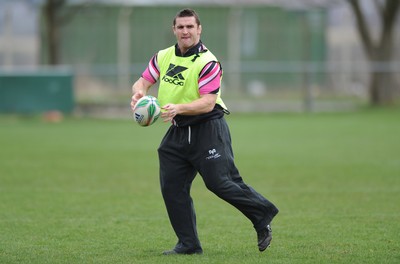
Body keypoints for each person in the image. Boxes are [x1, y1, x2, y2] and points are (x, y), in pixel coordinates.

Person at [130, 8, 278, 255]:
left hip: (208, 128)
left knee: (220, 183)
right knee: (172, 188)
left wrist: (178, 107)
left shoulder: (208, 61)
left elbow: (208, 102)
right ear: (174, 30)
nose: (185, 31)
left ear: (199, 29)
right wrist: (139, 93)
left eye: (190, 27)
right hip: (177, 131)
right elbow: (143, 81)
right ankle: (188, 244)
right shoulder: (163, 56)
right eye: (181, 27)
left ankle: (262, 213)